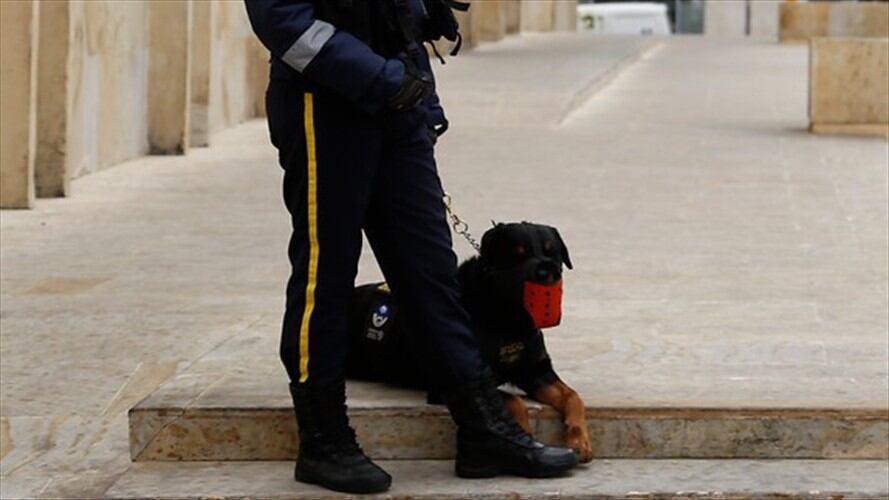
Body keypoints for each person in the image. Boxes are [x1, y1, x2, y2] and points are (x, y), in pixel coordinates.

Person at [245, 0, 578, 494]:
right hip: (326, 105)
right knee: (326, 272)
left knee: (432, 275)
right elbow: (283, 22)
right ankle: (324, 440)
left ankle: (483, 428)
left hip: (398, 106)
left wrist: (424, 101)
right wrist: (382, 78)